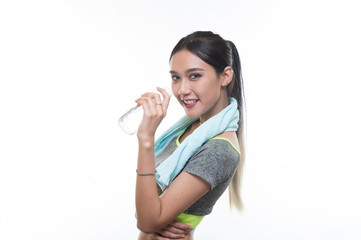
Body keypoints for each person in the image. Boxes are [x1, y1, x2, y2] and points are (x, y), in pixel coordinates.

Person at [134, 31, 246, 240]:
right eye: (176, 77)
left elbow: (148, 220)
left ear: (225, 76)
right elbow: (148, 209)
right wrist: (148, 214)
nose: (182, 89)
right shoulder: (191, 129)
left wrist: (146, 138)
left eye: (195, 76)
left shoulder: (219, 149)